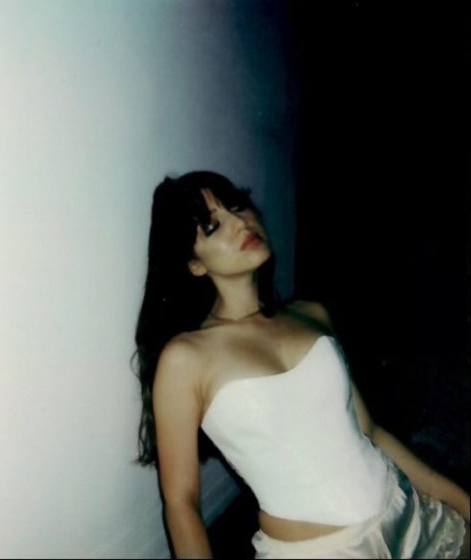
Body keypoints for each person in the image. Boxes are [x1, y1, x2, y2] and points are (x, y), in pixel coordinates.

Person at [133, 170, 470, 559]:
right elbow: (181, 502)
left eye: (238, 206)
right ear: (194, 264)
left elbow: (371, 431)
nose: (241, 222)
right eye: (214, 225)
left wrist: (460, 499)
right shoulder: (185, 358)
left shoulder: (311, 313)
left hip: (408, 516)